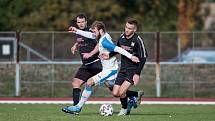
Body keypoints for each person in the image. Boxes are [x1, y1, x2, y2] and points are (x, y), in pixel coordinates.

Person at [62, 21, 140, 115]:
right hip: (108, 69)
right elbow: (90, 35)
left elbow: (118, 49)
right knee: (115, 91)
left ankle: (77, 107)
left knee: (89, 82)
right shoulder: (103, 35)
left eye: (95, 31)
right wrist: (77, 31)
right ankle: (134, 96)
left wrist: (131, 56)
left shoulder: (104, 41)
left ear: (100, 30)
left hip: (110, 70)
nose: (93, 33)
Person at [105, 18, 148, 115]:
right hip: (123, 69)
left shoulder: (137, 40)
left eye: (129, 28)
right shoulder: (121, 37)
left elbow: (144, 57)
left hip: (133, 70)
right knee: (115, 93)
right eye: (126, 27)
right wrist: (109, 55)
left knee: (121, 92)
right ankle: (136, 95)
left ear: (135, 29)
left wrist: (137, 74)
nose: (127, 30)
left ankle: (124, 109)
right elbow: (117, 49)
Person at [67, 13, 102, 108]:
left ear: (86, 22)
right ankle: (75, 108)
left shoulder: (90, 30)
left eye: (83, 22)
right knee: (75, 83)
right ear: (77, 23)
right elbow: (82, 39)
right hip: (86, 66)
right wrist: (75, 45)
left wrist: (77, 30)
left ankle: (133, 96)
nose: (81, 24)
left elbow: (92, 36)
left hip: (97, 64)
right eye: (79, 22)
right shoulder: (79, 32)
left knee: (113, 88)